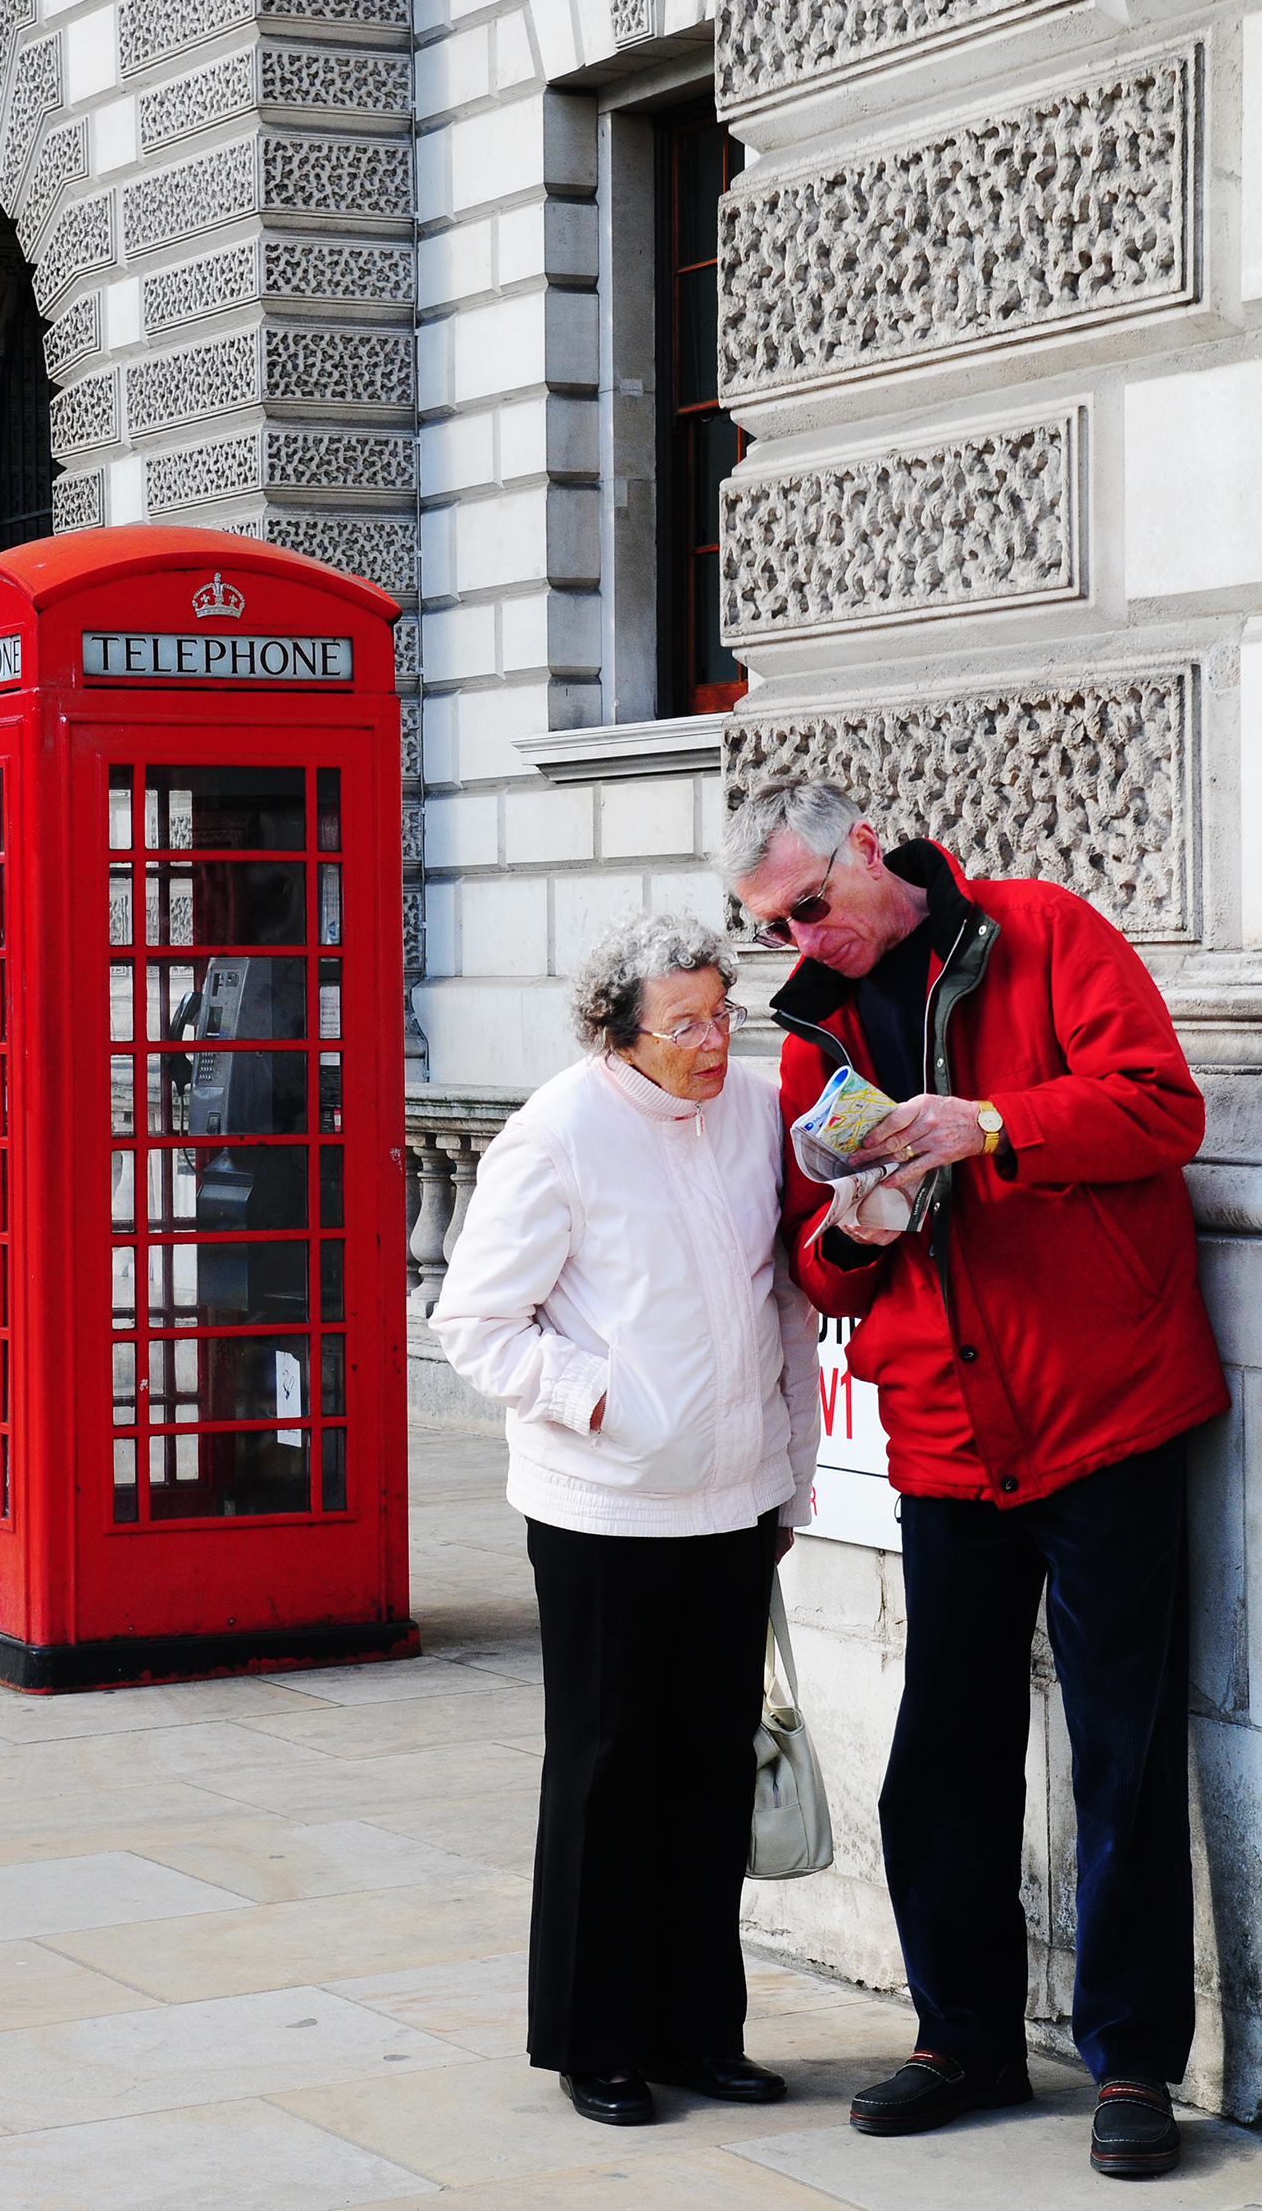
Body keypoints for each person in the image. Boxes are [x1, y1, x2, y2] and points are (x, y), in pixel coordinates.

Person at [721, 779, 1229, 2183]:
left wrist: (991, 1124)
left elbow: (1158, 1107)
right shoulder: (811, 1033)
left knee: (1123, 1746)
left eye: (812, 906)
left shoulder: (1048, 930)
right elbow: (811, 1261)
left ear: (868, 853)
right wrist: (855, 1219)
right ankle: (964, 2039)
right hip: (944, 1423)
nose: (804, 942)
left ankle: (1132, 2062)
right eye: (775, 926)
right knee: (943, 1748)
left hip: (1104, 1406)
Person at [432, 911, 820, 2129]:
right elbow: (474, 1322)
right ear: (620, 1032)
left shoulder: (754, 1110)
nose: (714, 1041)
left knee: (712, 1769)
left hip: (732, 1496)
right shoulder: (556, 1131)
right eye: (686, 1023)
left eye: (724, 1012)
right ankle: (594, 2040)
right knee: (607, 1772)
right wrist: (600, 1400)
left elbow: (785, 1295)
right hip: (603, 1505)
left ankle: (701, 2031)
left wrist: (788, 1467)